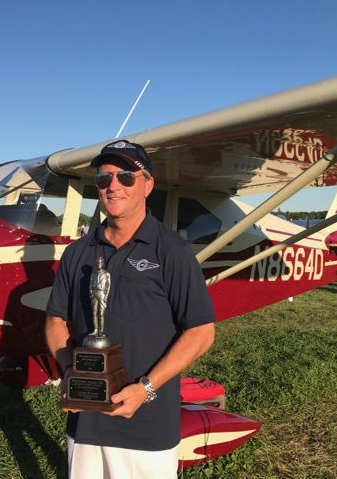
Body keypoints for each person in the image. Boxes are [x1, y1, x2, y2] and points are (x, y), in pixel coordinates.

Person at [45, 140, 216, 478]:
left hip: (147, 427)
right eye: (103, 179)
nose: (113, 186)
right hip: (86, 424)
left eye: (125, 176)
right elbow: (55, 320)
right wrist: (69, 371)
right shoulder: (77, 252)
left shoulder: (172, 251)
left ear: (147, 184)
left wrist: (145, 389)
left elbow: (200, 331)